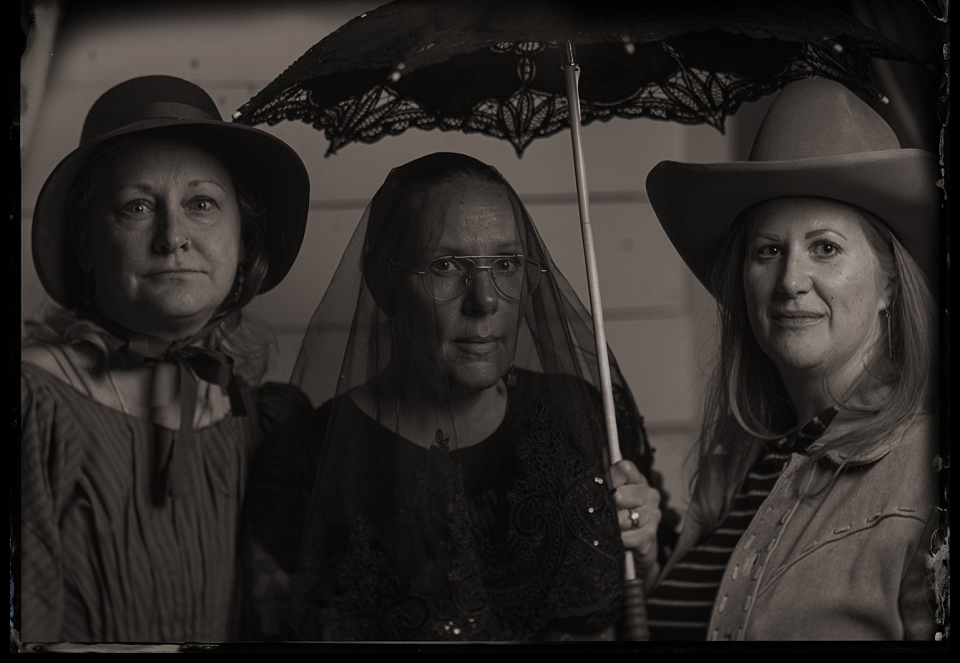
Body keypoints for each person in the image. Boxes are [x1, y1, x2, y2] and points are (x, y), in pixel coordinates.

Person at [243, 152, 679, 641]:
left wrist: (644, 557)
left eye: (506, 263)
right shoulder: (307, 460)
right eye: (446, 265)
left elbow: (654, 609)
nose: (485, 300)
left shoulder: (580, 413)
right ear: (382, 282)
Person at [635, 78, 941, 640]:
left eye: (825, 247)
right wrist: (649, 570)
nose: (790, 281)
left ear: (889, 285)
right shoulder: (738, 465)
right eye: (768, 250)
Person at [17, 75, 311, 643]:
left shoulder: (265, 421)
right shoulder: (34, 406)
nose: (172, 236)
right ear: (85, 244)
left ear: (243, 241)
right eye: (136, 207)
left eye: (201, 203)